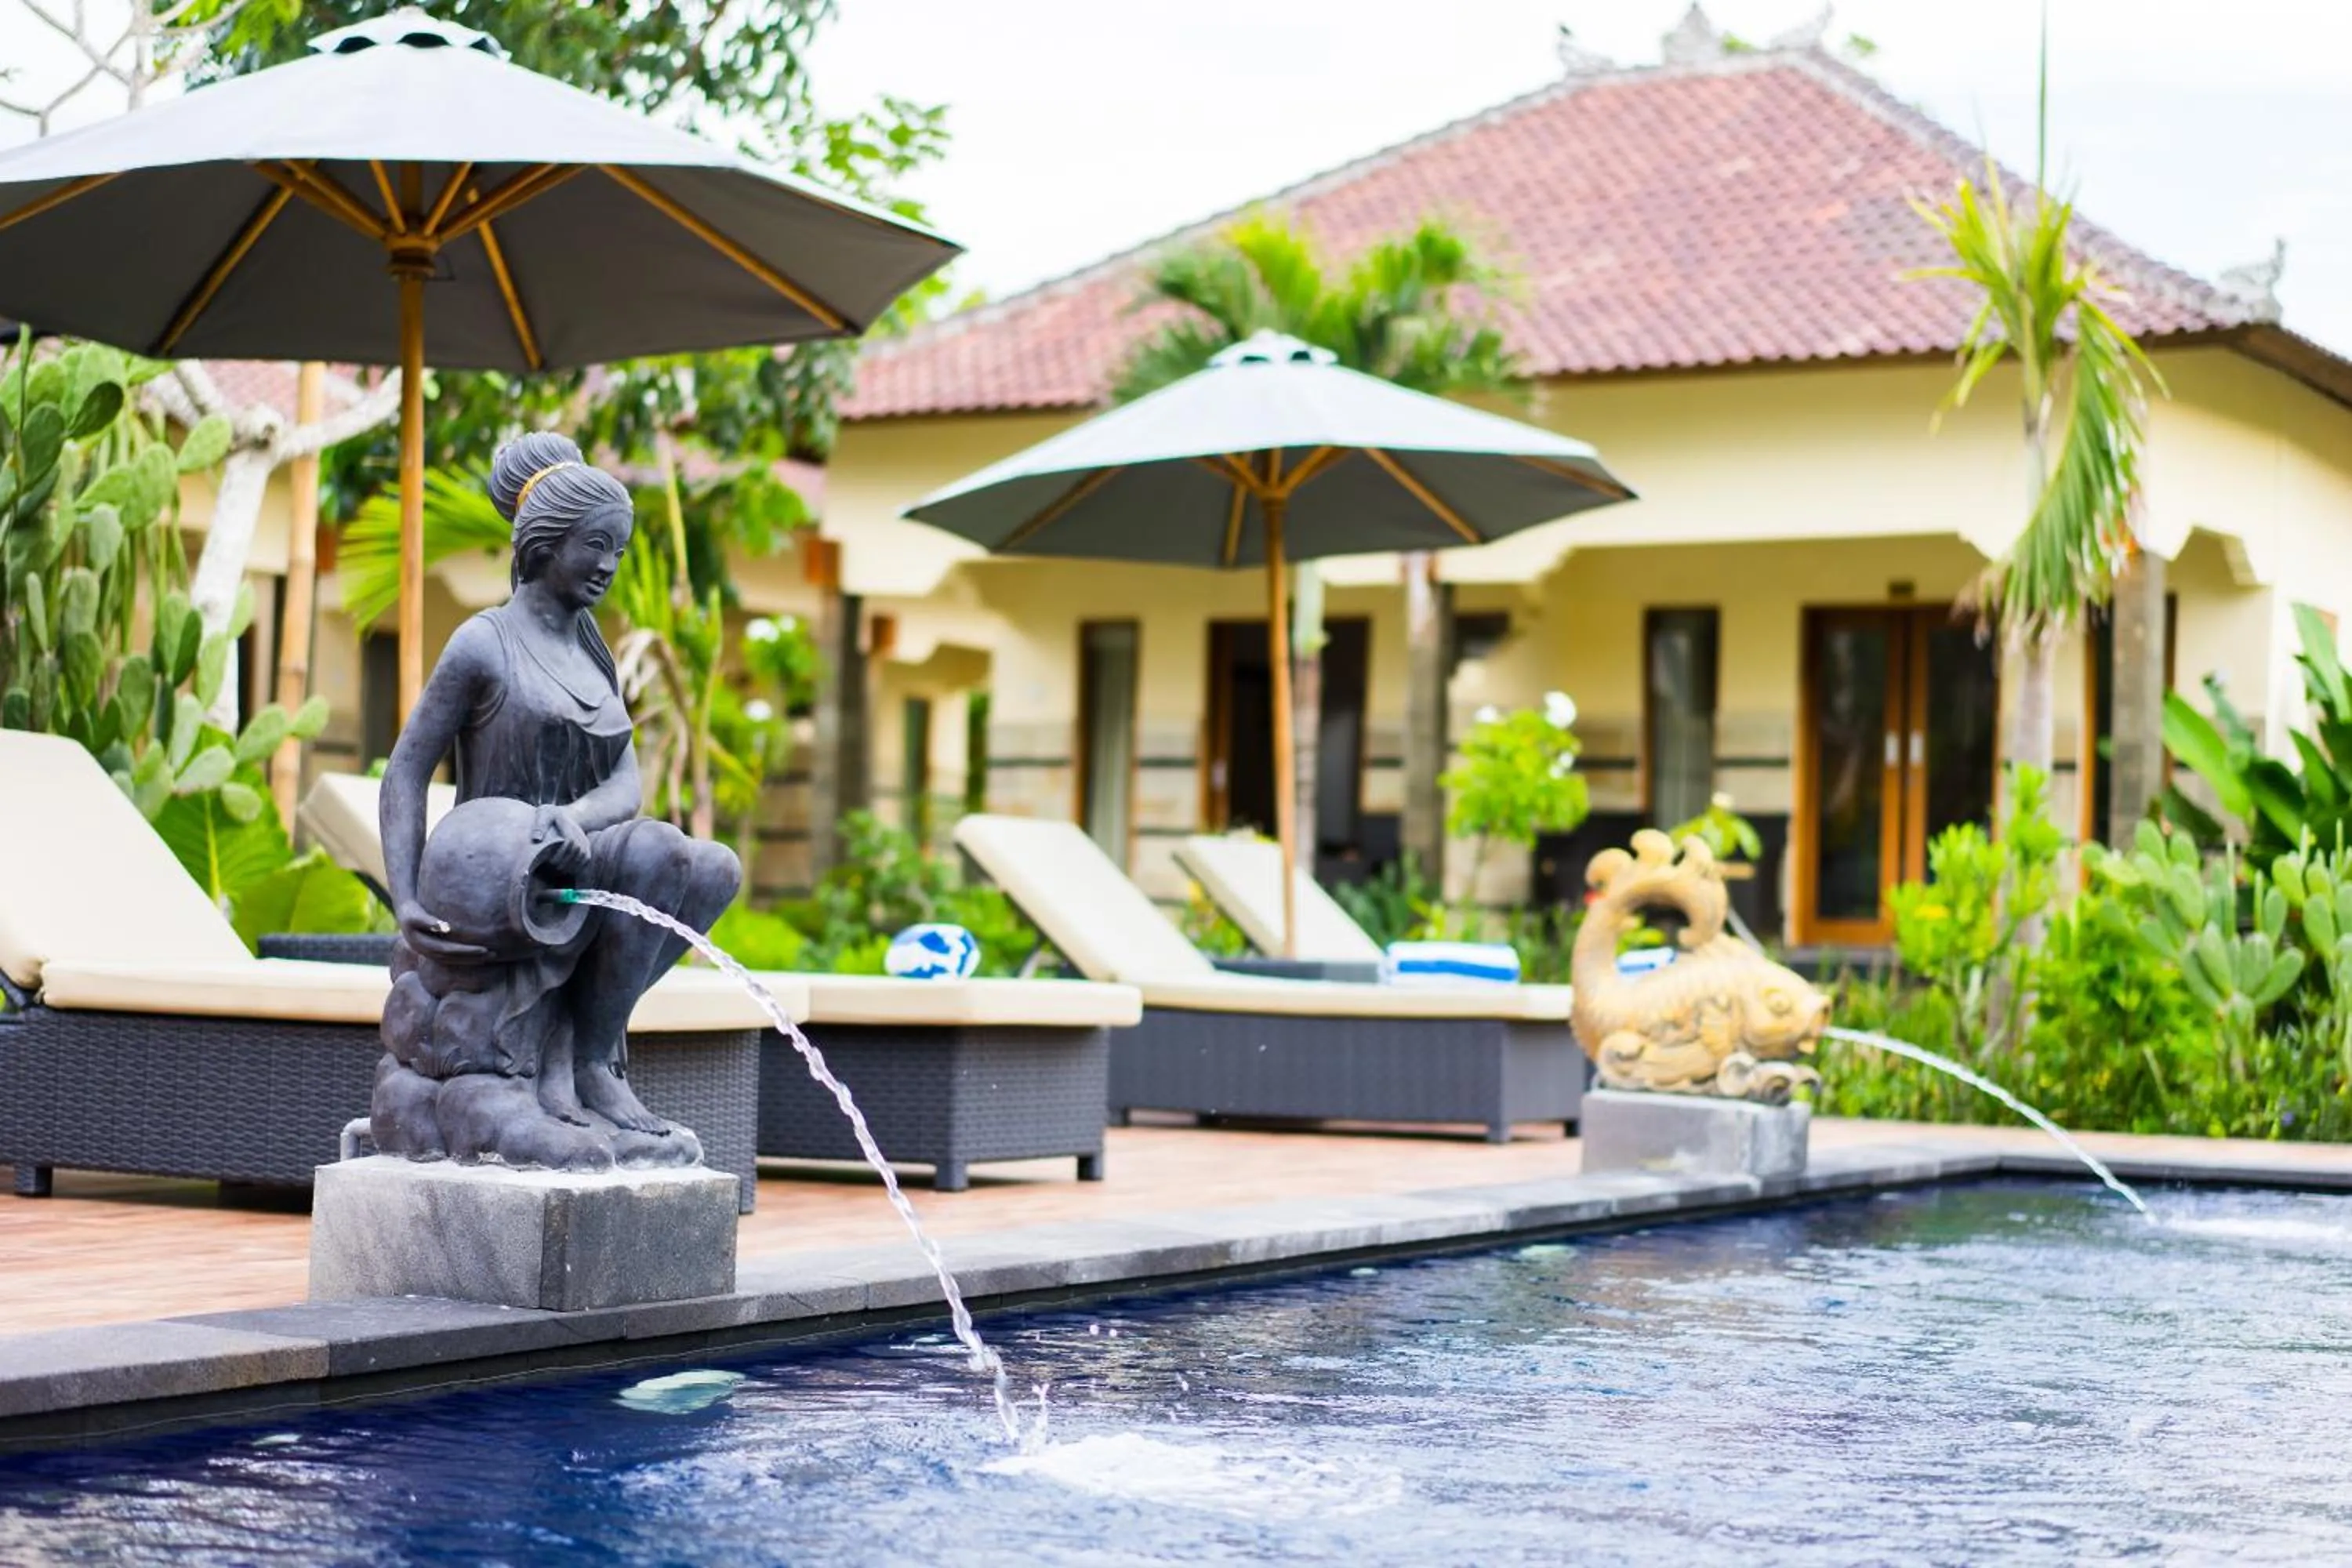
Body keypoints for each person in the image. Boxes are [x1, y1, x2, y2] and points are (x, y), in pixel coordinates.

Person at [377, 431, 739, 1167]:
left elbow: (627, 784)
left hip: (576, 849)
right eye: (594, 546)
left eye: (619, 550)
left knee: (714, 867)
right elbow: (407, 770)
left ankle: (593, 1059)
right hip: (506, 876)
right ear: (544, 543)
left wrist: (575, 819)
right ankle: (573, 1071)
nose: (608, 566)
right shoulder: (484, 643)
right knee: (658, 847)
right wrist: (406, 898)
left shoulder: (592, 651)